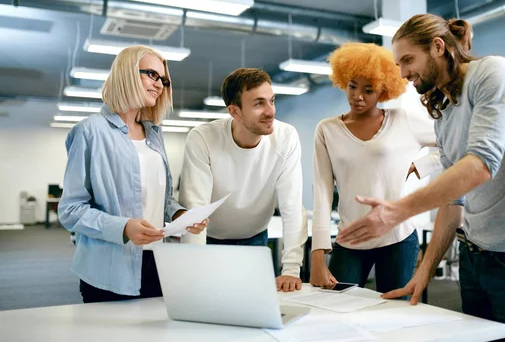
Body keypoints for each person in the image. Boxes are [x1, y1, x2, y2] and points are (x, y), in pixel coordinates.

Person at [337, 14, 505, 341]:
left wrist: (398, 210)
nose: (402, 74)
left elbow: (481, 164)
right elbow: (453, 201)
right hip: (475, 259)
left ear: (438, 47)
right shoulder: (444, 116)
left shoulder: (493, 73)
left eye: (408, 60)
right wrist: (424, 272)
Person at [58, 46, 207, 303]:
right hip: (108, 268)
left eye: (163, 79)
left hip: (155, 262)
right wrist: (123, 228)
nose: (159, 84)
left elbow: (160, 197)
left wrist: (180, 215)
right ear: (126, 73)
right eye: (151, 74)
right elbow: (70, 210)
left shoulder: (154, 135)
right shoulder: (90, 132)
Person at [310, 42, 441, 294]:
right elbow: (322, 193)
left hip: (397, 237)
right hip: (350, 239)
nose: (358, 96)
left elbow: (454, 142)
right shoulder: (327, 130)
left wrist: (421, 165)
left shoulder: (403, 120)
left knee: (394, 317)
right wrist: (317, 256)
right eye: (352, 86)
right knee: (338, 311)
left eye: (368, 90)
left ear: (383, 90)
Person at [179, 68, 307, 292]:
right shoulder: (203, 138)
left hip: (255, 239)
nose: (270, 112)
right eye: (259, 104)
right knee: (208, 305)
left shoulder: (286, 137)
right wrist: (193, 271)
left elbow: (292, 206)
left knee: (253, 309)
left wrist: (291, 269)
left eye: (272, 101)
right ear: (235, 111)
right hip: (209, 241)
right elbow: (195, 211)